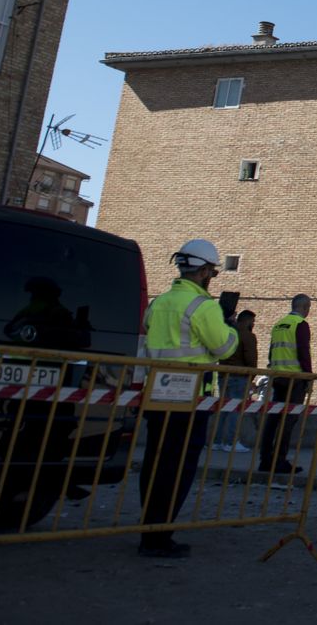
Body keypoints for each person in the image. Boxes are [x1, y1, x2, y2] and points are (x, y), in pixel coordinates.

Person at [138, 238, 238, 558]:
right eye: (213, 272)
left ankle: (148, 529)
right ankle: (159, 536)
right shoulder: (204, 306)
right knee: (178, 468)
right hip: (190, 399)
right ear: (206, 272)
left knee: (155, 463)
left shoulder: (159, 303)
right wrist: (230, 327)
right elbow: (224, 348)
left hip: (156, 395)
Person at [259, 295, 312, 476]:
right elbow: (303, 352)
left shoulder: (279, 324)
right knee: (288, 421)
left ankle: (265, 459)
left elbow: (271, 351)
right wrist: (308, 377)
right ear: (305, 307)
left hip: (278, 376)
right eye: (308, 307)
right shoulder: (300, 324)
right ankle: (279, 460)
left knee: (273, 419)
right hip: (294, 378)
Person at [213, 310, 258, 452]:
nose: (254, 324)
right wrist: (251, 377)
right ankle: (231, 442)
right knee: (236, 410)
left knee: (223, 409)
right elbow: (251, 359)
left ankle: (216, 441)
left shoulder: (228, 333)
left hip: (223, 375)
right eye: (253, 321)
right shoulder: (248, 336)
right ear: (248, 321)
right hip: (240, 376)